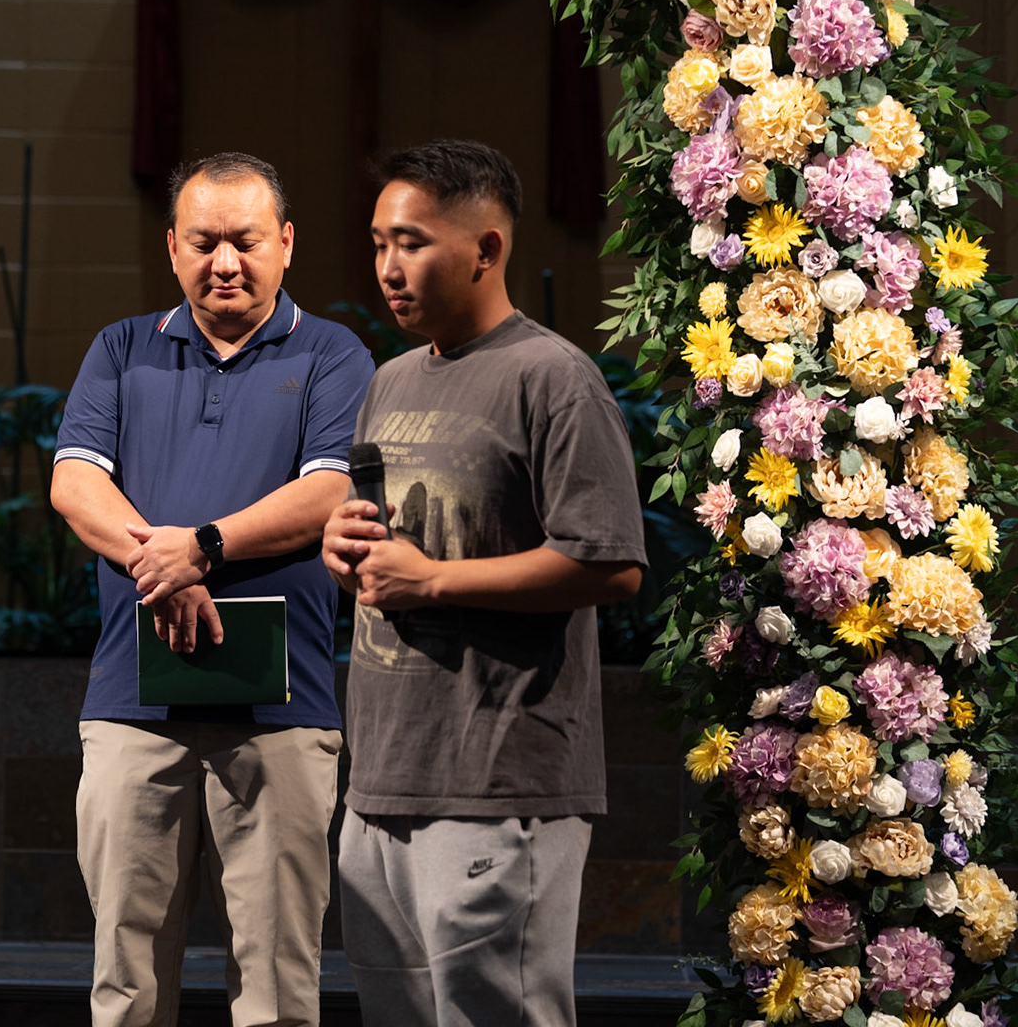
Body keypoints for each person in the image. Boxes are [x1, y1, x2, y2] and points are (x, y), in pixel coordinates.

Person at [321, 140, 646, 1027]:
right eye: (379, 243)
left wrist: (435, 581)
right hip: (383, 778)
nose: (388, 267)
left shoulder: (554, 378)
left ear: (487, 249)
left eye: (412, 243)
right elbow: (387, 546)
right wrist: (343, 546)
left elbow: (610, 563)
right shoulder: (390, 381)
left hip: (500, 782)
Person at [51, 153, 374, 1027]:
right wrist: (164, 570)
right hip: (134, 704)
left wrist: (201, 548)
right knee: (126, 982)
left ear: (287, 243)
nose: (225, 262)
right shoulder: (122, 348)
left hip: (281, 708)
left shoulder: (333, 353)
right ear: (172, 248)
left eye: (246, 241)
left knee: (277, 984)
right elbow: (75, 484)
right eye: (203, 243)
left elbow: (329, 491)